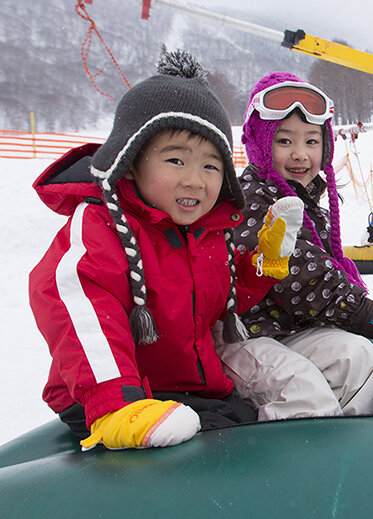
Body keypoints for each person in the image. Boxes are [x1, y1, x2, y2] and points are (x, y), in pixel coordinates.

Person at [28, 51, 300, 451]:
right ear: (132, 162)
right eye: (175, 159)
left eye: (211, 167)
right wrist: (114, 405)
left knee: (254, 437)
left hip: (188, 389)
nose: (194, 180)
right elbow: (77, 305)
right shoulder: (102, 227)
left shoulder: (206, 233)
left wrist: (262, 266)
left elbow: (218, 303)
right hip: (113, 397)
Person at [214, 72, 373, 421]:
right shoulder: (251, 199)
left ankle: (344, 447)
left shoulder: (306, 200)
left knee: (357, 358)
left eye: (311, 141)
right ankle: (292, 461)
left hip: (287, 330)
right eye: (284, 141)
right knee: (302, 389)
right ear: (260, 145)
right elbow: (305, 278)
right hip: (242, 334)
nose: (299, 155)